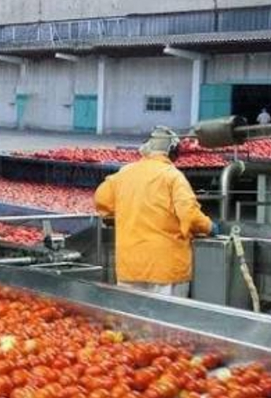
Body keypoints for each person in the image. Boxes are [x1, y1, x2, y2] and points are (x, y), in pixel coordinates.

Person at [94, 126, 219, 298]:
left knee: (131, 314)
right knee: (167, 314)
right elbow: (189, 214)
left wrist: (128, 212)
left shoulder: (123, 174)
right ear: (172, 151)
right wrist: (209, 227)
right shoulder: (172, 176)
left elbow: (101, 201)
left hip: (130, 267)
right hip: (165, 268)